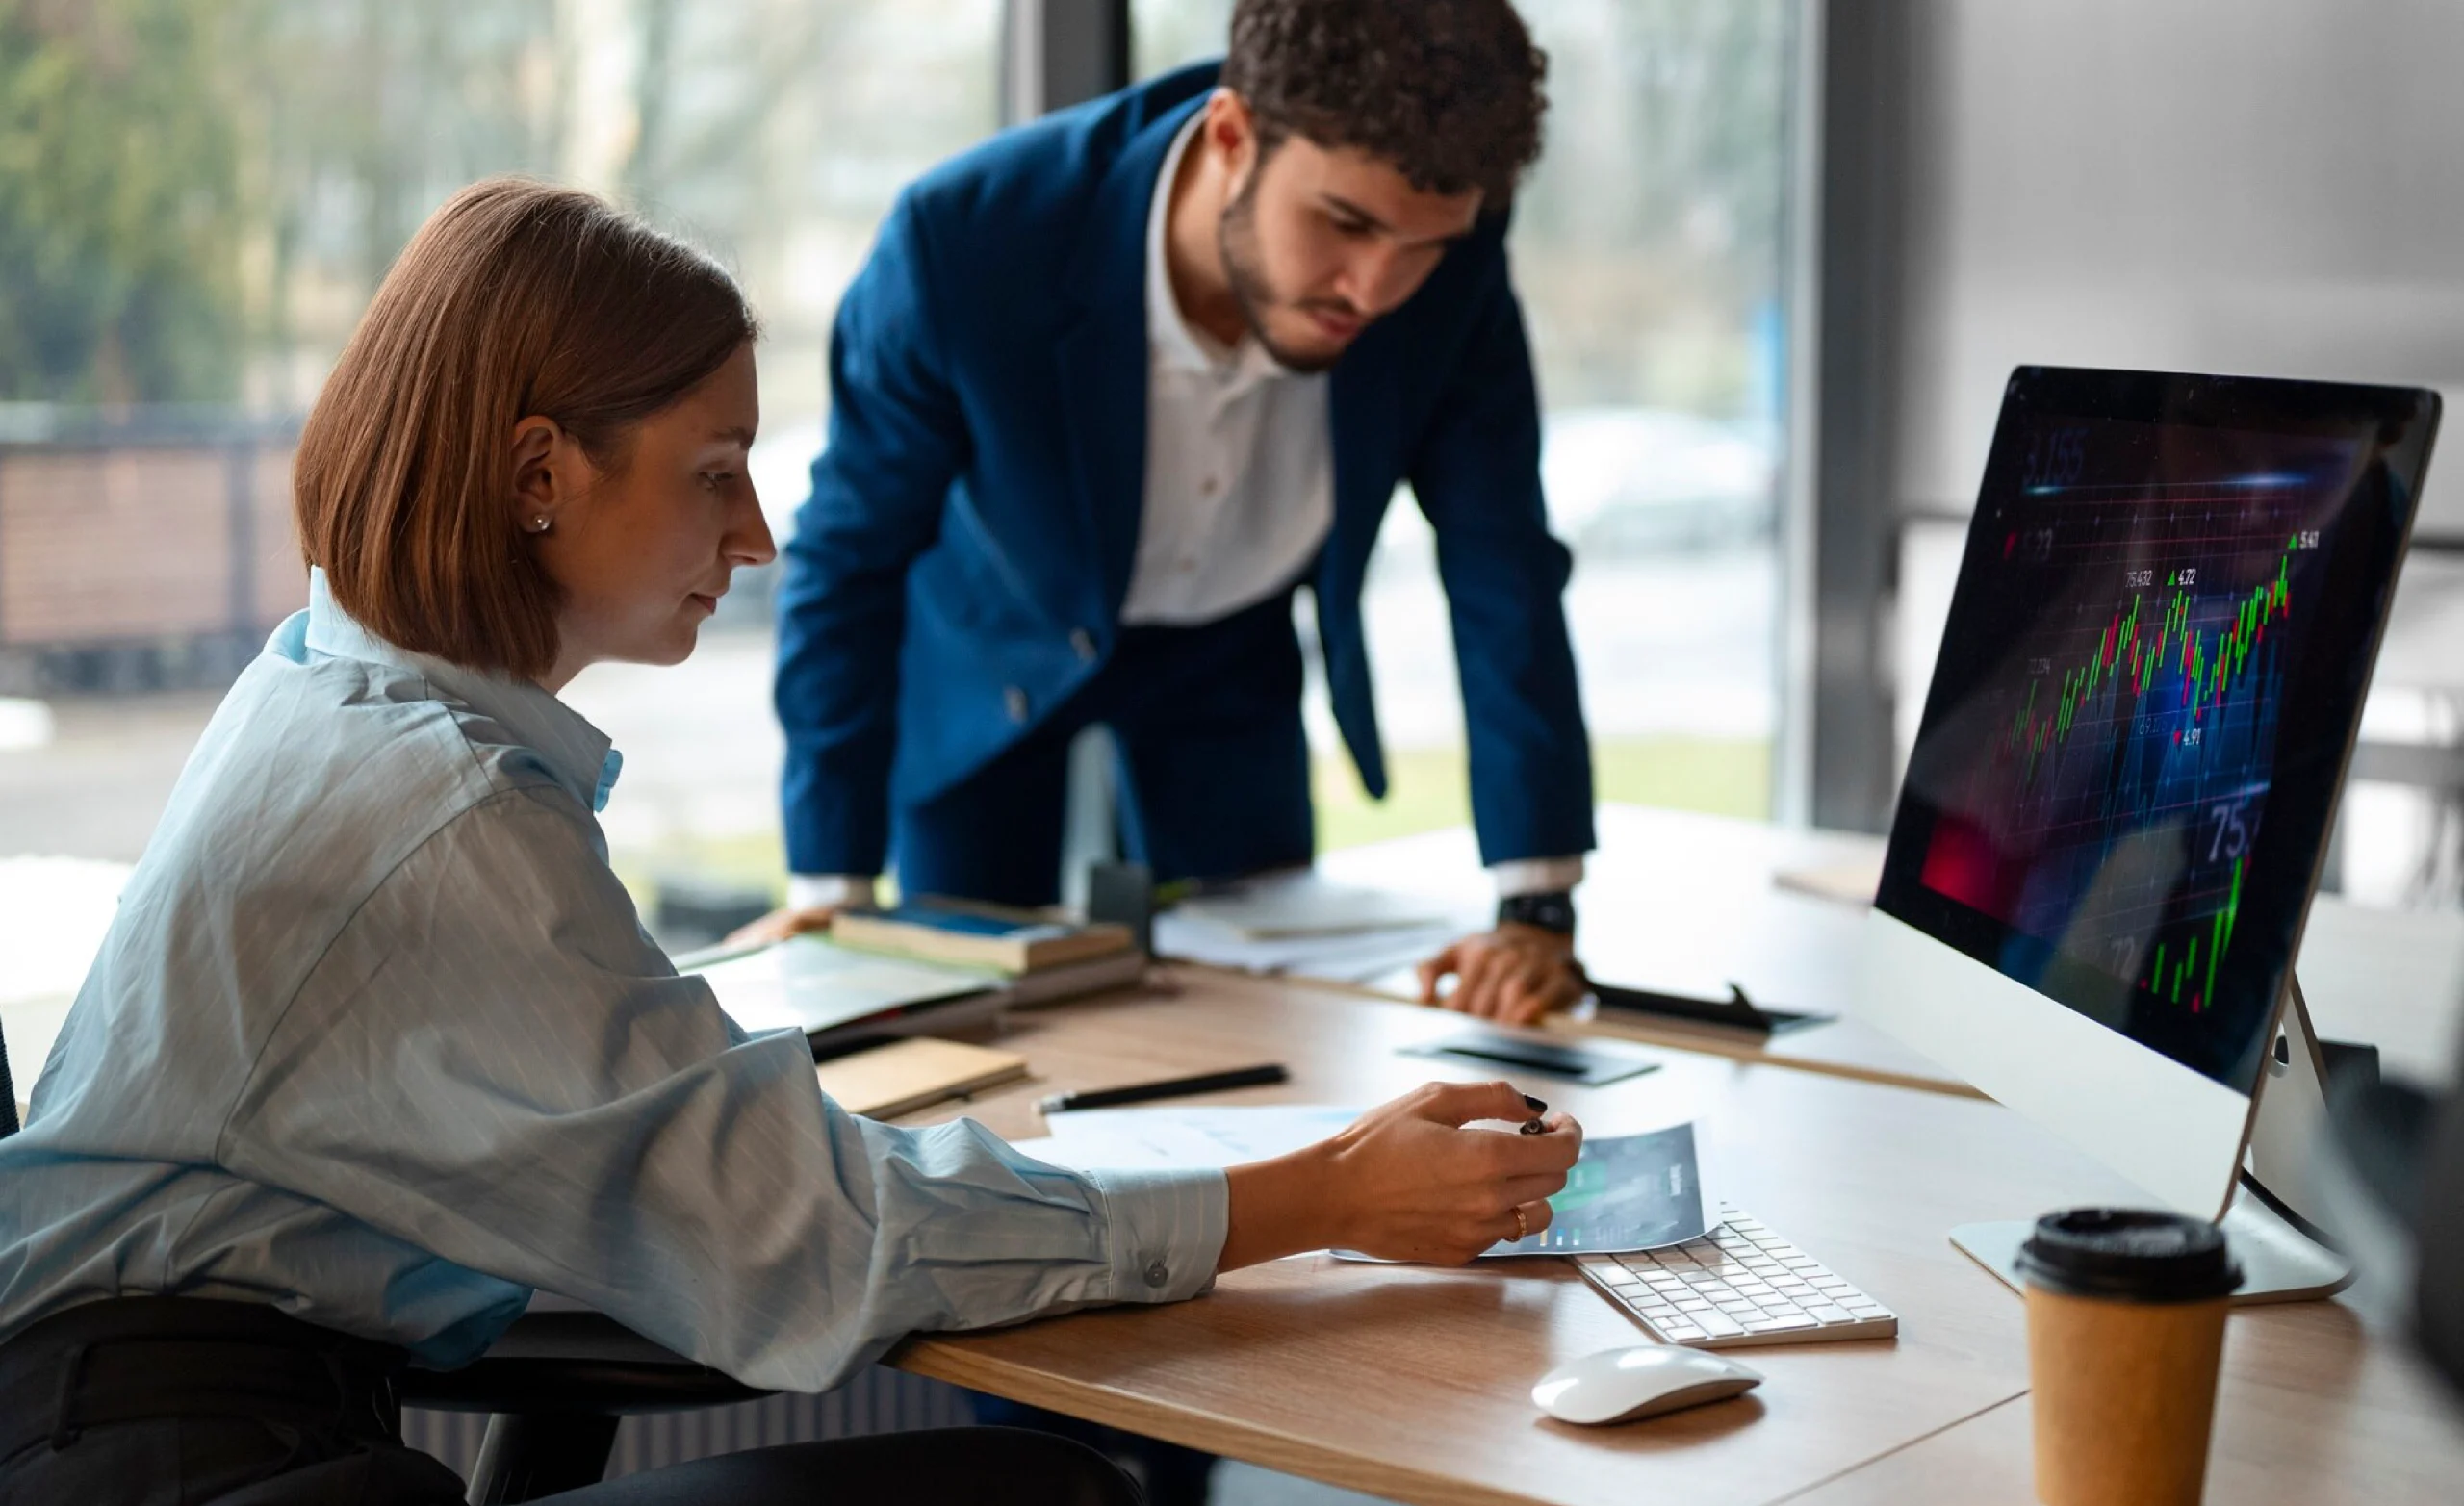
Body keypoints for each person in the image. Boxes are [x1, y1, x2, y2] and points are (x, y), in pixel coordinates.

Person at [0, 178, 1582, 1505]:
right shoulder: (445, 814)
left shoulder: (324, 685)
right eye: (714, 473)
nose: (757, 536)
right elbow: (829, 1235)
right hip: (195, 1466)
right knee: (1039, 1492)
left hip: (155, 1429)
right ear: (540, 475)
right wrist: (1326, 1195)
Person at [742, 0, 1596, 1025]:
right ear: (1232, 135)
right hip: (991, 651)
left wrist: (1536, 901)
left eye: (1423, 245)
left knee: (1260, 1028)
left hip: (1230, 658)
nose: (1376, 289)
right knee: (957, 1020)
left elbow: (1503, 561)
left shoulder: (1454, 259)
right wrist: (832, 887)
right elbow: (847, 561)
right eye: (1345, 222)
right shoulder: (967, 240)